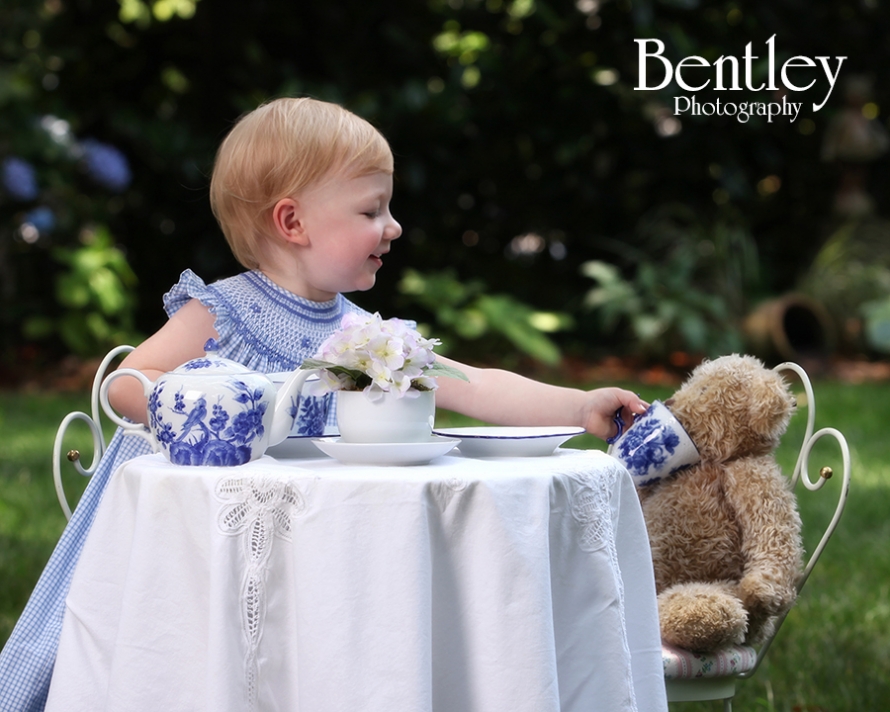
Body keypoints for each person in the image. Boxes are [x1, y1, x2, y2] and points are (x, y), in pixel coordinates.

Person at [0, 97, 647, 710]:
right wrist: (206, 400)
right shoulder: (222, 313)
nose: (392, 227)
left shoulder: (362, 339)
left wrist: (579, 405)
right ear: (292, 222)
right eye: (372, 211)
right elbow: (128, 381)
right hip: (199, 541)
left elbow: (470, 382)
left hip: (307, 546)